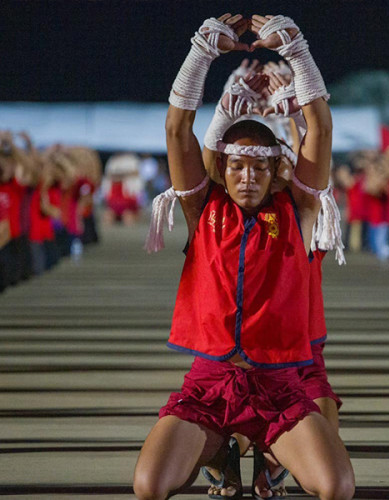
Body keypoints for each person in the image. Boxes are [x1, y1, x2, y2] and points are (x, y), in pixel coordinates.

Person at [134, 13, 355, 500]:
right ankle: (221, 453)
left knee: (336, 487)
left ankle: (273, 454)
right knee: (149, 488)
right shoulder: (202, 208)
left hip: (279, 384)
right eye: (236, 166)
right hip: (212, 383)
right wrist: (201, 54)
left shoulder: (297, 209)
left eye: (259, 167)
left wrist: (298, 51)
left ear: (276, 169)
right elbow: (177, 129)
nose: (247, 177)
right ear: (223, 169)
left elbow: (318, 126)